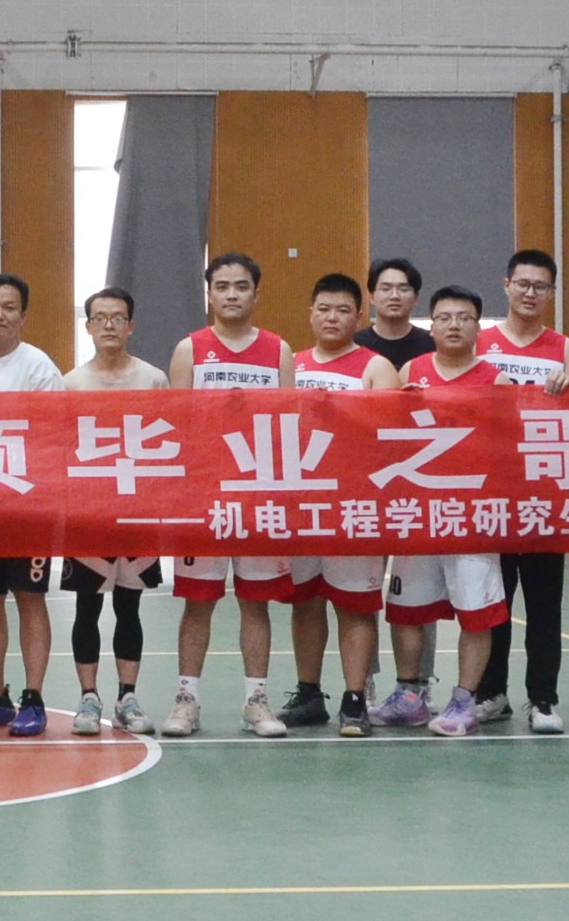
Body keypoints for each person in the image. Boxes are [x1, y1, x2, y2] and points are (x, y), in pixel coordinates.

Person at [168, 249, 293, 738]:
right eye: (222, 286)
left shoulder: (278, 351)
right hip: (204, 496)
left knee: (255, 603)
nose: (232, 295)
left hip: (258, 496)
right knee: (198, 602)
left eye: (241, 286)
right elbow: (177, 428)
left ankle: (256, 701)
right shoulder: (190, 350)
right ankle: (186, 701)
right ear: (210, 294)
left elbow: (288, 426)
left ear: (256, 294)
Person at [385, 286, 514, 736]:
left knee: (474, 613)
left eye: (464, 317)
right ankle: (409, 696)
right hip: (418, 511)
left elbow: (509, 448)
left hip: (472, 514)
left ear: (479, 327)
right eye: (444, 317)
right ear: (432, 326)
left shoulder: (496, 380)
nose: (454, 324)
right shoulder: (411, 371)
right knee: (406, 609)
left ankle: (464, 702)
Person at [285, 271, 404, 733]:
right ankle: (309, 692)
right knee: (305, 601)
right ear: (310, 314)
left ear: (359, 317)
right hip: (301, 503)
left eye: (342, 310)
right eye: (324, 309)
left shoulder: (376, 368)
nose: (332, 318)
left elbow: (388, 438)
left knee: (355, 605)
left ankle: (355, 698)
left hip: (355, 505)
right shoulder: (291, 365)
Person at [60, 285, 170, 734]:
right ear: (88, 326)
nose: (109, 325)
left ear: (131, 326)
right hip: (88, 512)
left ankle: (128, 696)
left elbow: (169, 441)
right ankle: (88, 698)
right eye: (100, 318)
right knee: (87, 607)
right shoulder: (70, 383)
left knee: (130, 606)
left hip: (138, 510)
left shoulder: (153, 379)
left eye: (117, 318)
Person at [0, 271, 63, 735]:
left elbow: (52, 435)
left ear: (23, 315)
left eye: (8, 307)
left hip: (28, 505)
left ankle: (33, 698)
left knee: (30, 597)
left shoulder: (39, 367)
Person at [478, 249, 569, 734]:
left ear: (552, 293)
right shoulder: (481, 343)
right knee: (494, 600)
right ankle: (491, 693)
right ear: (507, 285)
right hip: (492, 491)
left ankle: (543, 698)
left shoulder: (565, 348)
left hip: (544, 494)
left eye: (541, 286)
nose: (531, 293)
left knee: (543, 604)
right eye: (523, 284)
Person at [359, 258, 431, 370]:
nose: (394, 296)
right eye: (386, 289)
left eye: (403, 289)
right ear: (372, 297)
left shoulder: (432, 344)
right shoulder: (356, 344)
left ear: (416, 298)